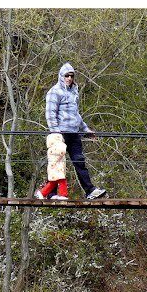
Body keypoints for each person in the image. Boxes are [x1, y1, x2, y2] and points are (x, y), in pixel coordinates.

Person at [44, 62, 107, 199]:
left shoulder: (74, 92)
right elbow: (50, 114)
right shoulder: (55, 92)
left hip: (74, 133)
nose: (69, 78)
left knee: (79, 161)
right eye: (67, 76)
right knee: (57, 162)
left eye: (72, 76)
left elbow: (76, 115)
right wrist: (56, 133)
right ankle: (51, 193)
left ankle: (90, 191)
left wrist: (86, 130)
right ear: (61, 76)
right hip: (60, 134)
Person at [35, 132, 69, 200]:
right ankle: (63, 194)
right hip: (56, 168)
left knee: (53, 182)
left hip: (56, 168)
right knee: (62, 180)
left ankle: (42, 193)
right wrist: (63, 145)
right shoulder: (55, 148)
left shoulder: (52, 148)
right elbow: (62, 152)